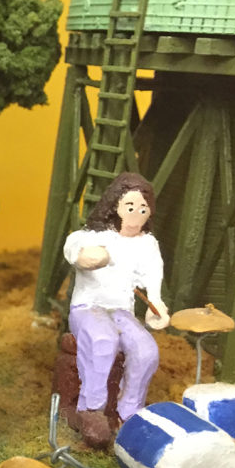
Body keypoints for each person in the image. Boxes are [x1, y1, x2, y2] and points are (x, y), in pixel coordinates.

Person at [63, 172, 169, 446]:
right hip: (88, 307)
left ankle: (129, 410)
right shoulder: (90, 236)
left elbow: (153, 282)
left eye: (143, 208)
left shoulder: (147, 244)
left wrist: (156, 306)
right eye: (130, 206)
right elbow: (76, 252)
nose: (136, 214)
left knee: (146, 350)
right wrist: (91, 257)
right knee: (103, 339)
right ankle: (91, 408)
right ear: (115, 206)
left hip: (122, 311)